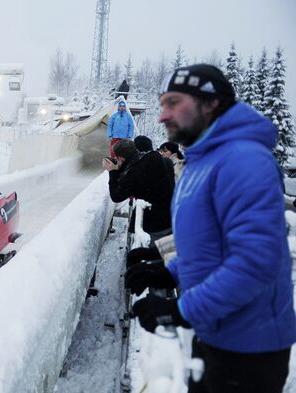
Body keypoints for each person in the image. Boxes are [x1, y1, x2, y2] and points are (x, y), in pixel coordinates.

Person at [126, 64, 296, 393]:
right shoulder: (202, 162)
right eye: (161, 104)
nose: (162, 116)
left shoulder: (244, 161)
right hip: (216, 333)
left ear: (210, 103)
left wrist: (180, 309)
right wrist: (167, 271)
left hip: (247, 349)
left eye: (173, 103)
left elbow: (254, 263)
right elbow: (208, 246)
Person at [102, 139, 174, 241]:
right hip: (171, 215)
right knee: (168, 252)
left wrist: (112, 172)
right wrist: (121, 167)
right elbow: (136, 167)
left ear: (121, 158)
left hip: (156, 224)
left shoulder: (134, 174)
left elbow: (116, 196)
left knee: (154, 254)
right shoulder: (154, 156)